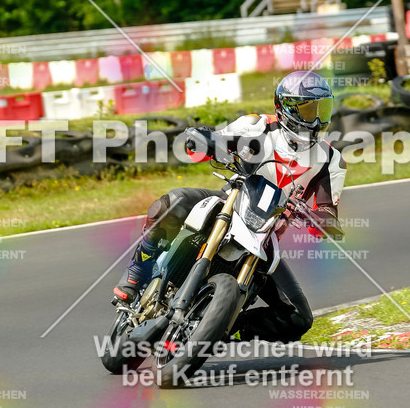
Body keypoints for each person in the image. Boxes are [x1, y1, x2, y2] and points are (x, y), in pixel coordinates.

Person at [112, 70, 346, 343]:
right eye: (308, 109)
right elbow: (217, 139)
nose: (316, 119)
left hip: (266, 235)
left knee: (298, 318)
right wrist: (204, 139)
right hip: (230, 203)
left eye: (322, 109)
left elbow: (328, 207)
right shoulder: (257, 126)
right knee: (171, 203)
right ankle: (136, 274)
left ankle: (225, 324)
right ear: (285, 107)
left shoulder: (331, 159)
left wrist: (325, 221)